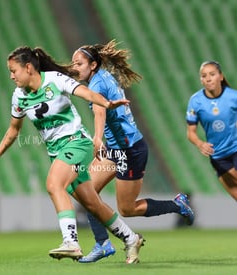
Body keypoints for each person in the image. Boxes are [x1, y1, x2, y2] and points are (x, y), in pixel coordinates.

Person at [0, 46, 145, 264]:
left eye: (14, 70)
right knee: (92, 204)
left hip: (77, 144)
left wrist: (106, 103)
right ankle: (131, 238)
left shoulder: (54, 80)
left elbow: (86, 92)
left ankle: (71, 241)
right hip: (57, 152)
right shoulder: (19, 96)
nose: (11, 75)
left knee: (54, 184)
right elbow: (14, 130)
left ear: (29, 67)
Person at [70, 40, 195, 263]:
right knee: (85, 192)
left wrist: (97, 137)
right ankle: (103, 244)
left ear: (93, 64)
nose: (74, 67)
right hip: (115, 148)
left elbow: (100, 113)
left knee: (127, 208)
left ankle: (177, 205)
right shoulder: (102, 76)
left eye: (78, 63)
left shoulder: (97, 84)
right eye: (73, 63)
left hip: (129, 150)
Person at [186, 61, 237, 200]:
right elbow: (190, 132)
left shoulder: (233, 97)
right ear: (201, 80)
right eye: (204, 76)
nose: (208, 78)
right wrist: (200, 143)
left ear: (220, 76)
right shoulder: (196, 101)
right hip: (218, 155)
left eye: (212, 74)